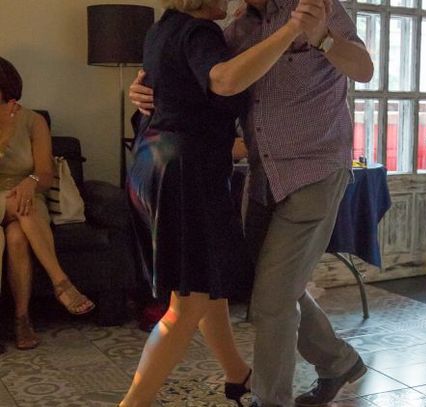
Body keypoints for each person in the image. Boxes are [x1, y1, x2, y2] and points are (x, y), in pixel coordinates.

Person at [130, 0, 373, 405]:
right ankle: (338, 362)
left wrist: (325, 38)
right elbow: (209, 78)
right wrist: (145, 88)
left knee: (274, 298)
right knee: (272, 284)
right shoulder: (235, 29)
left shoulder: (318, 8)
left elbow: (364, 69)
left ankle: (270, 399)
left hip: (314, 169)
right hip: (265, 173)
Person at [0, 57, 95, 350]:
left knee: (17, 236)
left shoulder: (33, 121)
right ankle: (61, 283)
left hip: (29, 196)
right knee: (22, 206)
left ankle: (22, 318)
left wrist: (29, 182)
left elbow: (44, 173)